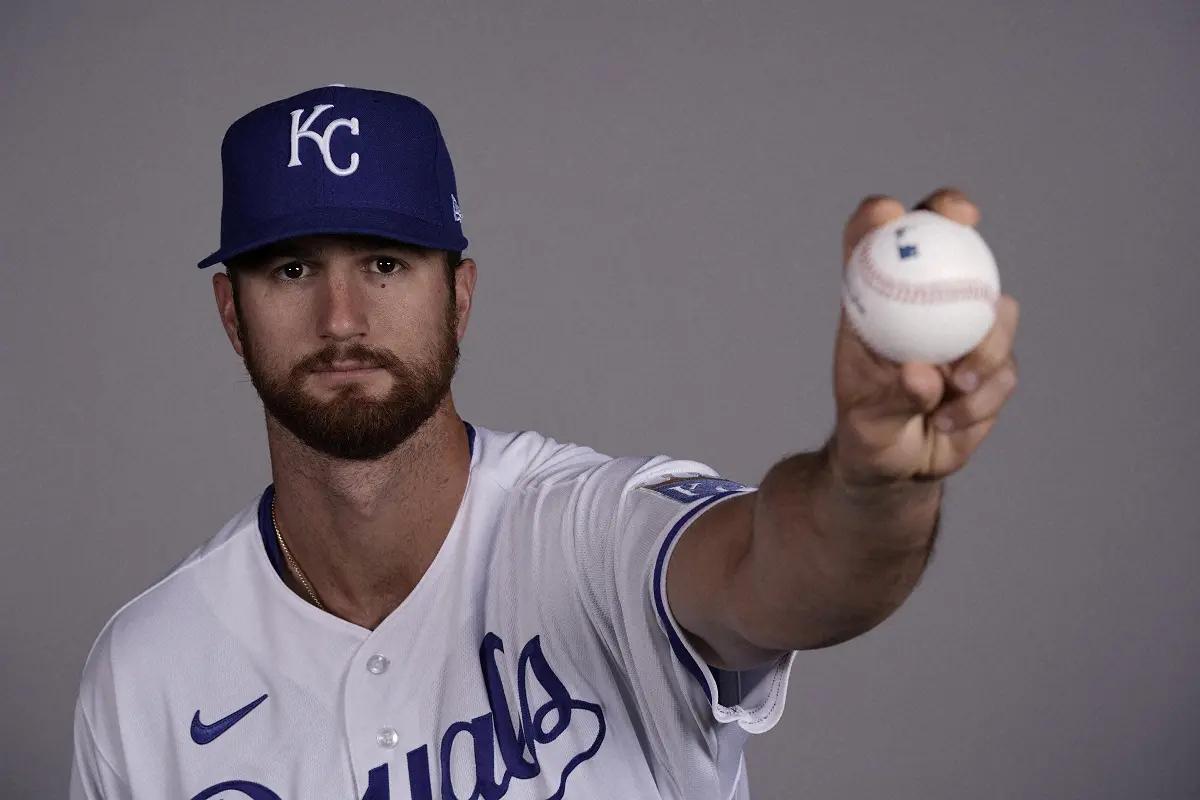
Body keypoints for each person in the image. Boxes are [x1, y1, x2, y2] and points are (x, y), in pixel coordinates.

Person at [69, 84, 1020, 800]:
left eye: (387, 262)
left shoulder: (596, 536)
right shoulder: (147, 671)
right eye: (291, 268)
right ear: (232, 312)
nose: (343, 316)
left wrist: (872, 487)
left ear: (461, 296)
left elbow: (787, 573)